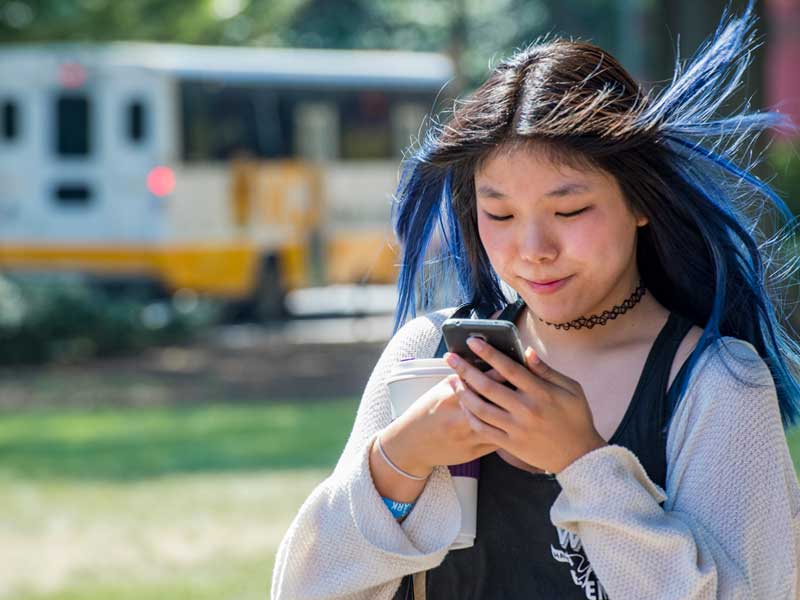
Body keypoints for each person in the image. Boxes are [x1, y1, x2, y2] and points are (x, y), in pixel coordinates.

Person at [271, 2, 800, 598]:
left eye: (569, 210)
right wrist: (399, 460)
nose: (532, 249)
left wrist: (583, 462)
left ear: (642, 201)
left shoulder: (717, 383)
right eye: (499, 213)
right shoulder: (427, 357)